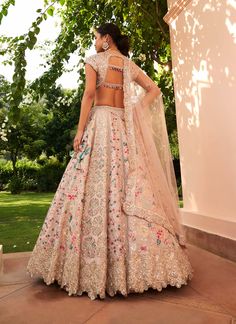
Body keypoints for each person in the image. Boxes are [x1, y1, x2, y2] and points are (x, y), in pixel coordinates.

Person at [26, 22, 194, 300]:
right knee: (128, 184)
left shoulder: (94, 61)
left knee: (89, 185)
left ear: (106, 39)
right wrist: (135, 110)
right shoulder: (128, 65)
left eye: (95, 37)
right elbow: (154, 89)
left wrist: (80, 131)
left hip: (101, 124)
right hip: (122, 129)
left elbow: (89, 95)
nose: (93, 42)